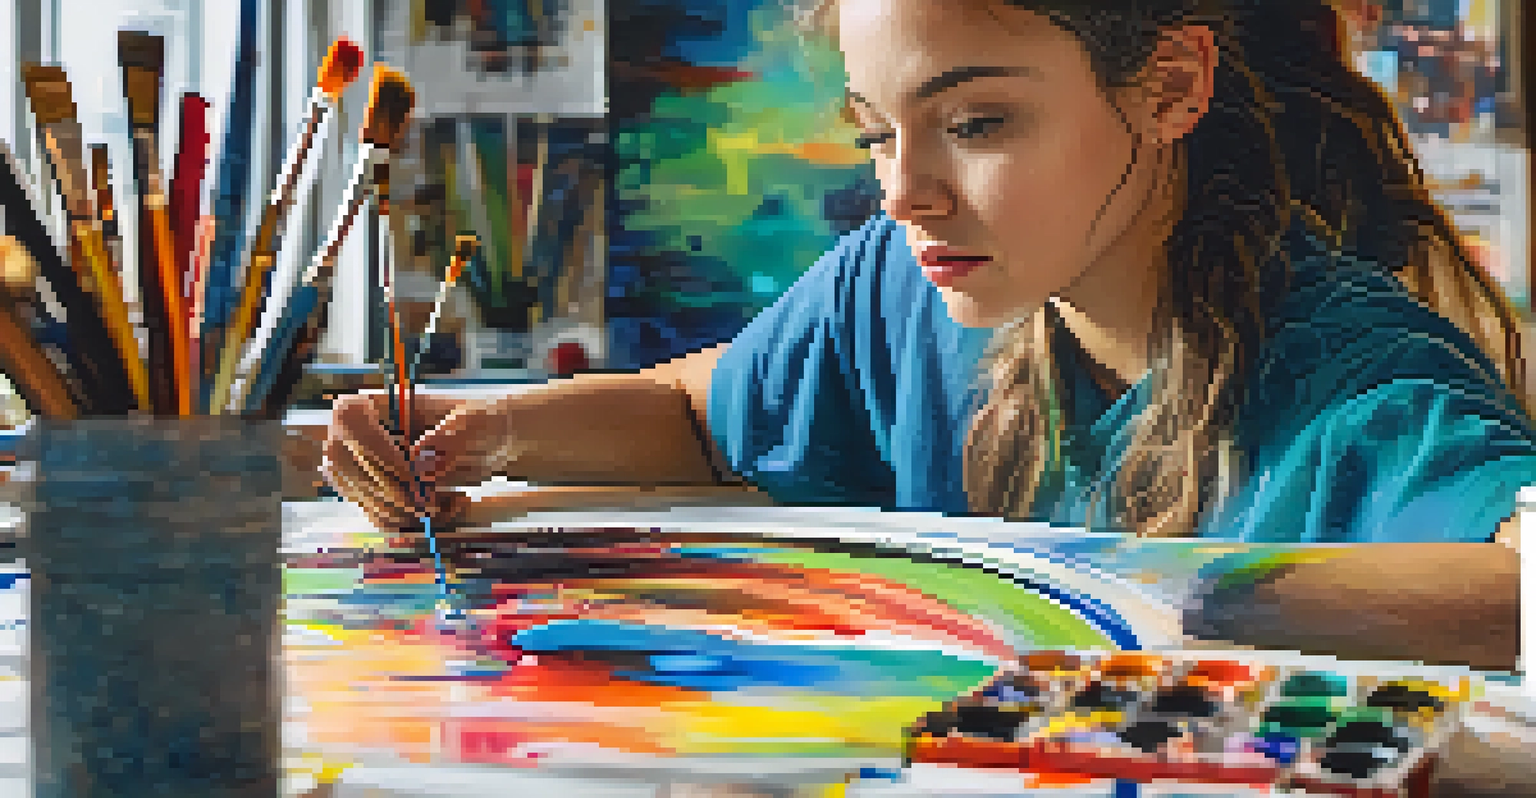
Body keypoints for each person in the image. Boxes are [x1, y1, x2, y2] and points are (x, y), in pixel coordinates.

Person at [325, 0, 1526, 663]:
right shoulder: (905, 290)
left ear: (1169, 88)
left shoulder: (1362, 382)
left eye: (980, 122)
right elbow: (706, 414)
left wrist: (1074, 589)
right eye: (874, 134)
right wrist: (483, 434)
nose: (904, 193)